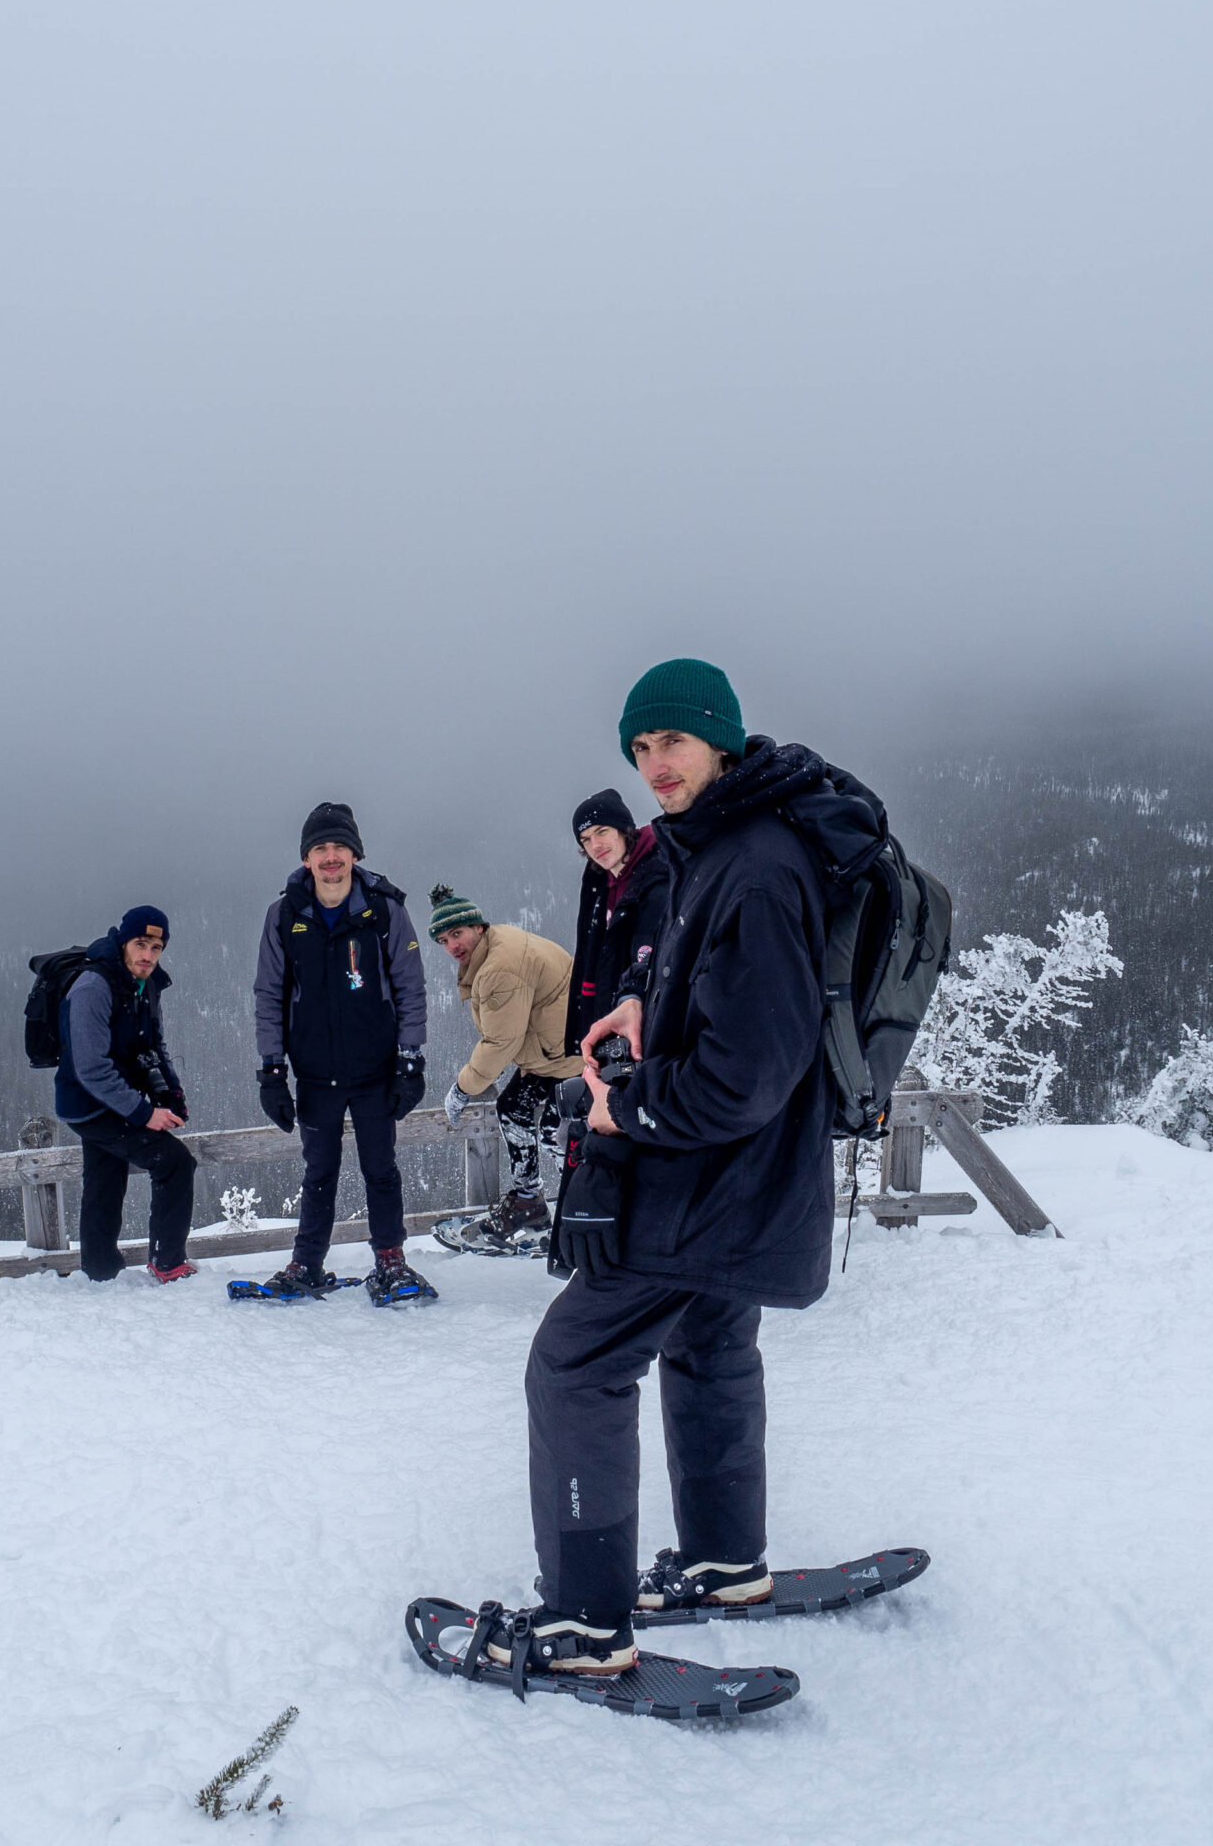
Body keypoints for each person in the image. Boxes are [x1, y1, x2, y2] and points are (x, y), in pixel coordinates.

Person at [491, 657, 864, 1683]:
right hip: (735, 1186)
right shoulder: (731, 846)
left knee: (574, 1364)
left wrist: (628, 1099)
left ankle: (581, 1623)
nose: (654, 765)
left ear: (721, 740)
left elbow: (751, 1071)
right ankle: (722, 1561)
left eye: (672, 742)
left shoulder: (753, 865)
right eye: (640, 747)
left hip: (702, 1179)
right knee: (706, 1345)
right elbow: (720, 1005)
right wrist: (639, 1015)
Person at [250, 802, 435, 1303]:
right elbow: (269, 994)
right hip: (313, 1072)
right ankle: (307, 1263)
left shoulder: (383, 910)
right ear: (306, 859)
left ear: (355, 853)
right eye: (320, 849)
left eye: (339, 847)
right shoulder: (286, 915)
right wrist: (271, 1072)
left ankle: (391, 1262)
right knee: (319, 1173)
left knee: (381, 1168)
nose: (331, 857)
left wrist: (410, 1061)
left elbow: (410, 988)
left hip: (375, 1071)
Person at [428, 884, 583, 1256]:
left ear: (478, 927)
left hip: (567, 1054)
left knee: (555, 1134)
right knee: (512, 1110)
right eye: (444, 940)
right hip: (553, 1048)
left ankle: (584, 1209)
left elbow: (501, 1042)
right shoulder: (495, 946)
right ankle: (529, 1201)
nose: (452, 946)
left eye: (457, 934)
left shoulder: (499, 967)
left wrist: (463, 1088)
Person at [54, 905, 198, 1284]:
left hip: (113, 1099)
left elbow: (155, 1043)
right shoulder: (92, 988)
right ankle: (167, 1262)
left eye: (156, 947)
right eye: (140, 944)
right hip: (88, 1104)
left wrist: (171, 1092)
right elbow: (92, 1069)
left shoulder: (146, 984)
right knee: (174, 1162)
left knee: (105, 1178)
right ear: (123, 942)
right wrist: (144, 1114)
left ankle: (99, 1269)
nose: (148, 955)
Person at [564, 788, 671, 1059]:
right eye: (586, 839)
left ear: (624, 829)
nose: (595, 846)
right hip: (611, 1016)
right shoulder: (601, 880)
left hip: (646, 1024)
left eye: (602, 832)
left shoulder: (656, 879)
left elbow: (649, 956)